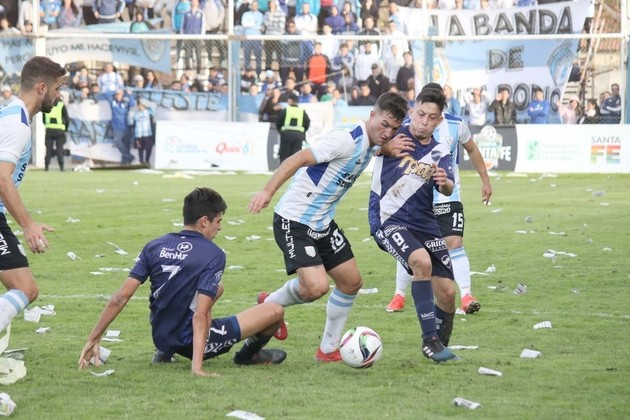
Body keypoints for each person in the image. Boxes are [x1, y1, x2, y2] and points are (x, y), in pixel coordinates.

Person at [249, 92, 411, 362]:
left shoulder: (373, 142)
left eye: (394, 129)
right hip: (295, 219)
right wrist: (267, 191)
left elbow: (373, 147)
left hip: (322, 222)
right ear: (372, 115)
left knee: (351, 282)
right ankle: (269, 303)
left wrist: (386, 148)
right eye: (384, 125)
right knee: (316, 288)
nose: (388, 133)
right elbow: (298, 159)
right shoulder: (345, 139)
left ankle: (327, 350)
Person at [78, 188, 288, 376]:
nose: (220, 228)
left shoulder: (155, 245)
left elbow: (120, 297)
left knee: (217, 289)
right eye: (218, 221)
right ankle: (248, 356)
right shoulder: (213, 254)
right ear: (204, 221)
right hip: (189, 340)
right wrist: (197, 367)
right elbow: (201, 314)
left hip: (161, 335)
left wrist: (93, 338)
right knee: (275, 311)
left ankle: (165, 351)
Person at [385, 83, 492, 316]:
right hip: (414, 199)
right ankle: (399, 295)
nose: (425, 119)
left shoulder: (456, 125)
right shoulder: (408, 126)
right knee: (411, 248)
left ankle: (466, 295)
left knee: (454, 243)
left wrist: (485, 180)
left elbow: (472, 149)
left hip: (448, 195)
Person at [368, 87, 459, 363]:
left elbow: (448, 186)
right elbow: (365, 143)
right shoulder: (395, 131)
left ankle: (439, 346)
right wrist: (384, 147)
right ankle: (429, 340)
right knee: (421, 262)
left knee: (448, 293)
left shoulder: (440, 150)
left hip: (425, 222)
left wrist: (445, 184)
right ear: (412, 111)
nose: (424, 122)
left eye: (431, 117)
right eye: (420, 114)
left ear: (439, 121)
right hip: (389, 219)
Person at [0, 56, 66, 334]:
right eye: (57, 88)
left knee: (25, 287)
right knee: (25, 288)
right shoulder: (17, 123)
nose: (59, 95)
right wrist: (28, 225)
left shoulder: (9, 113)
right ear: (42, 88)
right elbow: (2, 178)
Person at [276, 93, 310, 163]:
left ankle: (284, 169)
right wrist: (302, 132)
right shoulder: (302, 111)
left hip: (286, 134)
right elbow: (307, 122)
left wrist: (280, 131)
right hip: (298, 135)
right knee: (295, 156)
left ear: (290, 100)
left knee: (284, 155)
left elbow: (278, 122)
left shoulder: (286, 110)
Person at [42, 97, 69, 171]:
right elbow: (67, 119)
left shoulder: (46, 105)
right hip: (59, 130)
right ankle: (61, 167)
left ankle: (46, 166)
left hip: (49, 130)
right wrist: (65, 129)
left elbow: (43, 119)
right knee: (59, 149)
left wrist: (47, 125)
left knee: (48, 149)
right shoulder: (61, 105)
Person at [110, 89, 136, 164]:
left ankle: (125, 162)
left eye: (120, 94)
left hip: (126, 126)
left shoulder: (126, 102)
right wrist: (118, 89)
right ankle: (129, 157)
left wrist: (129, 95)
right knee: (118, 142)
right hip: (117, 127)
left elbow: (132, 104)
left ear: (123, 95)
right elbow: (107, 94)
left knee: (126, 145)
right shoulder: (113, 102)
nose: (118, 96)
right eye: (117, 94)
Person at [129, 99, 155, 166]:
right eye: (139, 105)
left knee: (149, 148)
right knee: (140, 149)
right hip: (138, 134)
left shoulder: (148, 111)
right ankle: (141, 162)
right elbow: (130, 122)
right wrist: (132, 111)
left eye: (142, 105)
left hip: (147, 134)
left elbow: (154, 106)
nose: (140, 107)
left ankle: (147, 161)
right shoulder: (135, 113)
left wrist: (144, 103)